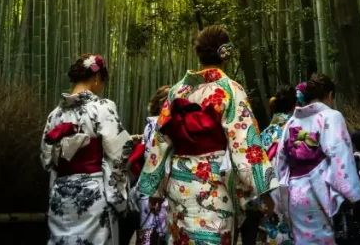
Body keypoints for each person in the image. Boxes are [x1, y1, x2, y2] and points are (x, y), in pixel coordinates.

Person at [138, 25, 279, 245]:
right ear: (226, 54)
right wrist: (264, 190)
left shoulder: (177, 91)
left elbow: (161, 143)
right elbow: (245, 146)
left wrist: (155, 190)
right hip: (213, 181)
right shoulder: (230, 89)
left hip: (179, 181)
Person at [40, 54, 133, 245]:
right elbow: (120, 153)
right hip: (94, 195)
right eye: (103, 82)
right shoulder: (102, 107)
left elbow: (46, 159)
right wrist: (120, 197)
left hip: (61, 194)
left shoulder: (54, 115)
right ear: (96, 78)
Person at [272, 74, 360, 244]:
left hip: (295, 194)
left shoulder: (292, 122)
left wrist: (280, 198)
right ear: (330, 95)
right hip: (320, 192)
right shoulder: (331, 116)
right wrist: (351, 195)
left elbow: (281, 162)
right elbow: (340, 157)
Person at [253, 86, 296, 245]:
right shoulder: (295, 129)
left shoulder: (264, 134)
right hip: (292, 187)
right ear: (295, 105)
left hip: (268, 190)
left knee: (274, 234)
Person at [135, 86, 171, 245]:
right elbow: (154, 156)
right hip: (162, 182)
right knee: (162, 233)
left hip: (149, 182)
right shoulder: (160, 124)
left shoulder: (150, 124)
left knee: (148, 234)